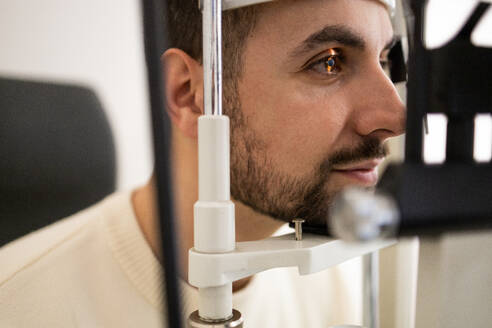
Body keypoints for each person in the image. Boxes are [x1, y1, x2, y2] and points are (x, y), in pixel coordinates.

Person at [0, 0, 405, 327]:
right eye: (329, 62)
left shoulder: (339, 291)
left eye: (385, 60)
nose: (394, 116)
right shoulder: (16, 307)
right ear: (189, 94)